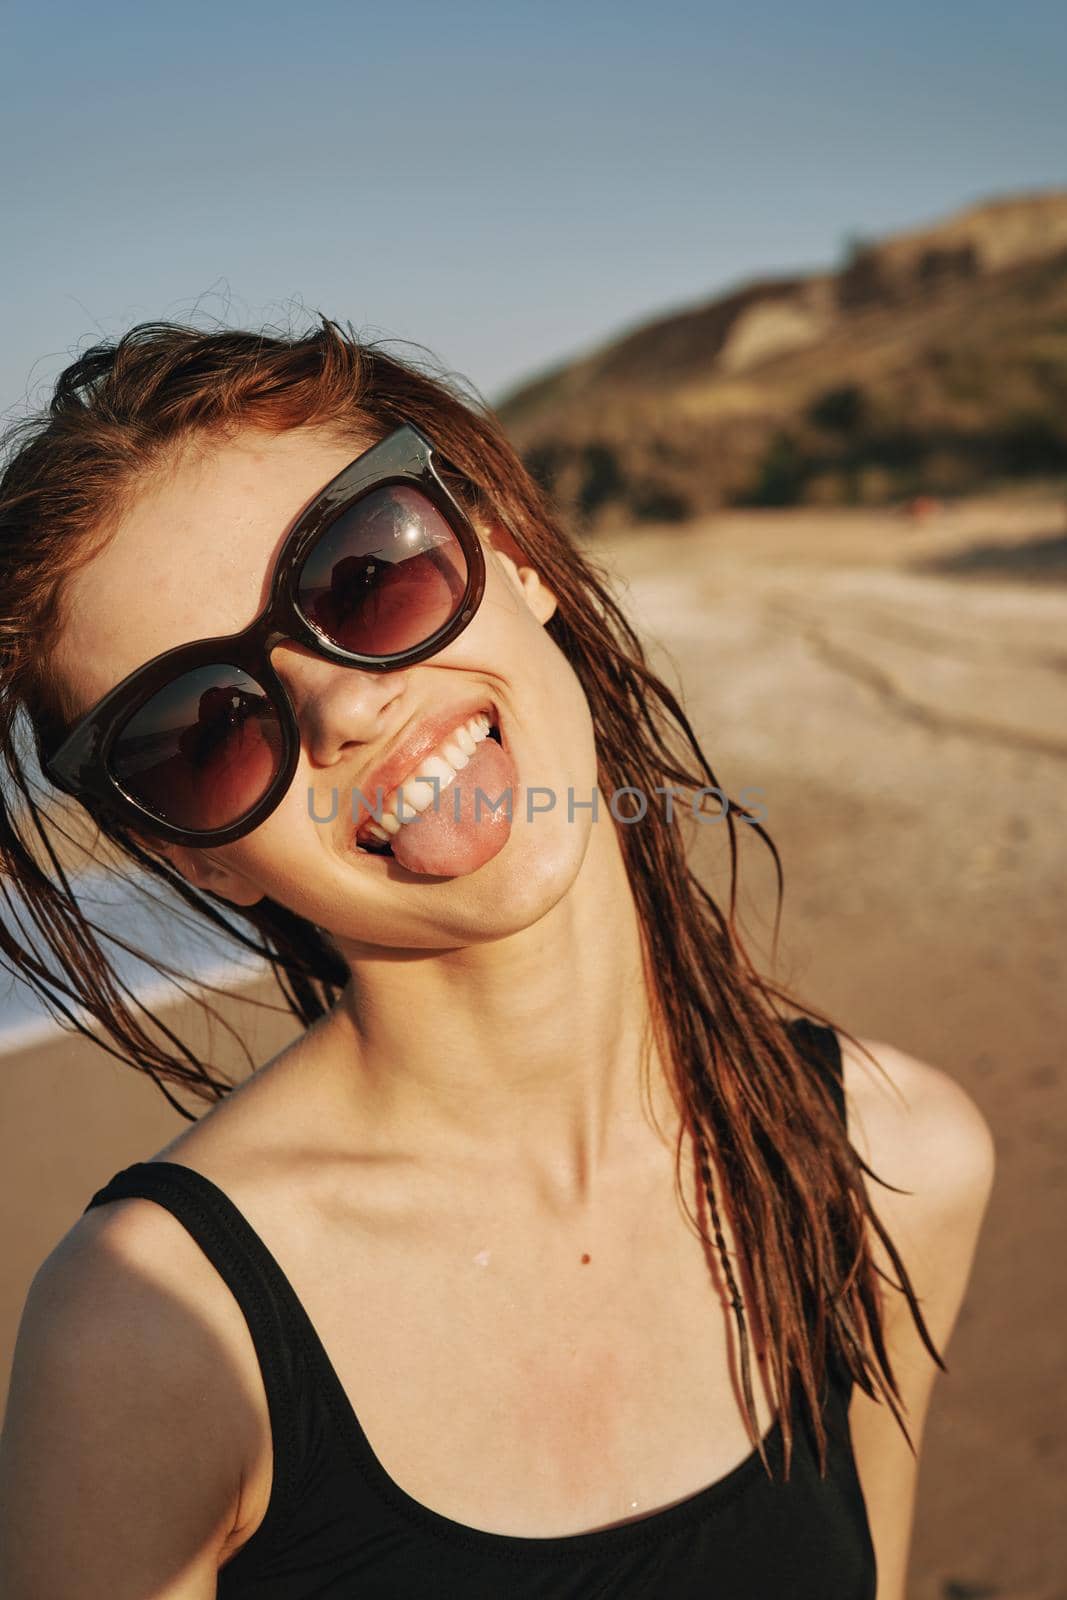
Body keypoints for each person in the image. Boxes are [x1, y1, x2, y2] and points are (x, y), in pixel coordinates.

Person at [0, 320, 994, 1599]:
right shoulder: (154, 1336)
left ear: (512, 560)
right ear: (196, 855)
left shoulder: (893, 1162)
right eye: (205, 731)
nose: (344, 707)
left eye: (364, 575)